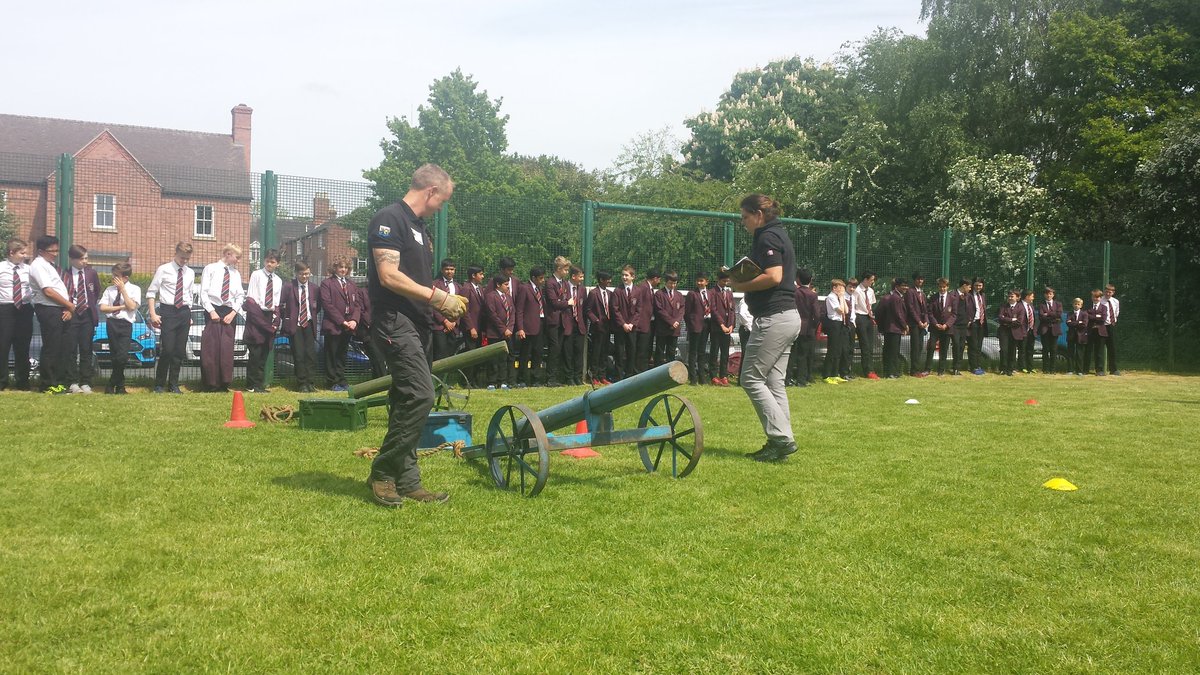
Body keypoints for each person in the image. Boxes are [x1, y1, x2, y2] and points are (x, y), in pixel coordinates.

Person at [366, 162, 461, 507]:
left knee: (405, 398)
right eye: (442, 200)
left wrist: (441, 305)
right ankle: (382, 472)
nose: (441, 207)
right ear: (431, 191)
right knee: (421, 395)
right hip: (394, 322)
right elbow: (389, 276)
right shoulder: (390, 219)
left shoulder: (421, 229)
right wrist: (438, 297)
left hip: (420, 324)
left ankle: (407, 479)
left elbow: (417, 282)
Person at [733, 194, 801, 463]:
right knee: (774, 382)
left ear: (759, 215)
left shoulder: (767, 237)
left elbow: (774, 276)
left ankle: (782, 439)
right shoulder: (779, 233)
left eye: (745, 217)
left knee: (750, 378)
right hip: (787, 317)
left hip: (774, 318)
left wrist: (740, 285)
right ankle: (779, 441)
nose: (743, 223)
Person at [146, 242, 195, 394]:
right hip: (168, 311)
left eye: (187, 258)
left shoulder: (190, 273)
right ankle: (159, 384)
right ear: (175, 253)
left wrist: (190, 314)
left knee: (179, 351)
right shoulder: (164, 269)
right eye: (182, 258)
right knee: (167, 349)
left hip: (184, 312)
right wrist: (153, 313)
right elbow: (151, 292)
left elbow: (189, 294)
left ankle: (173, 384)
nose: (184, 261)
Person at [28, 235, 74, 394]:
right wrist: (69, 305)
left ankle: (59, 382)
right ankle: (47, 383)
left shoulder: (50, 265)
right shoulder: (38, 265)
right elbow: (47, 291)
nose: (55, 253)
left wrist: (67, 308)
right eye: (51, 250)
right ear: (41, 251)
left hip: (60, 309)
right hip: (48, 309)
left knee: (62, 347)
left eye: (57, 249)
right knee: (51, 347)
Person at [199, 243, 245, 392]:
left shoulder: (236, 274)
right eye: (236, 257)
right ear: (228, 254)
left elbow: (240, 296)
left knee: (226, 349)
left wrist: (233, 313)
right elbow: (203, 292)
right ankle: (211, 384)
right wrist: (211, 311)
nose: (238, 260)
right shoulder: (210, 268)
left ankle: (224, 383)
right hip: (213, 309)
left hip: (229, 312)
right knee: (211, 348)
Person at [62, 245, 101, 394]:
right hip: (72, 315)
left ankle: (86, 382)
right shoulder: (64, 274)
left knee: (86, 349)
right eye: (82, 258)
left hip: (87, 316)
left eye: (86, 258)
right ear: (72, 259)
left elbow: (96, 291)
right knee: (71, 349)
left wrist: (87, 305)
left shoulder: (91, 274)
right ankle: (72, 382)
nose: (85, 261)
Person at [278, 261, 321, 393]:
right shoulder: (288, 286)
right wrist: (288, 318)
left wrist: (309, 316)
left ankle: (310, 382)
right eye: (302, 274)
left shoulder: (314, 288)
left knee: (310, 355)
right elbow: (281, 304)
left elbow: (317, 306)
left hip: (308, 324)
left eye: (307, 273)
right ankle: (302, 383)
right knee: (299, 354)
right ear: (296, 274)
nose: (305, 277)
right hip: (295, 325)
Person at [243, 250, 282, 393]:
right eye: (267, 261)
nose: (269, 264)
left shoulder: (278, 280)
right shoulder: (256, 275)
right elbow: (251, 299)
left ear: (277, 263)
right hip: (256, 316)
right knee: (255, 353)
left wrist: (276, 321)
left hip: (268, 315)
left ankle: (259, 384)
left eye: (273, 262)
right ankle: (251, 384)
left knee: (264, 353)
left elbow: (276, 303)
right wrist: (265, 325)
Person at [98, 262, 140, 395]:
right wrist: (121, 307)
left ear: (125, 278)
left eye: (117, 276)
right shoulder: (109, 290)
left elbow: (132, 306)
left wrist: (123, 290)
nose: (113, 278)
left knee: (122, 357)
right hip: (112, 323)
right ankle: (120, 387)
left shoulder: (134, 289)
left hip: (125, 324)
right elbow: (103, 308)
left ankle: (111, 383)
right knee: (114, 356)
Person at [319, 258, 360, 392]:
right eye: (340, 267)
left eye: (345, 267)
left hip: (349, 326)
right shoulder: (327, 283)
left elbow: (357, 305)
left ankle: (341, 379)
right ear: (335, 268)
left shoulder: (352, 284)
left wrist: (354, 320)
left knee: (342, 354)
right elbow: (327, 305)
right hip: (334, 325)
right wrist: (341, 321)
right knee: (332, 354)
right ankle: (332, 381)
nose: (343, 270)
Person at [0, 239, 34, 391]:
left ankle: (22, 382)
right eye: (22, 253)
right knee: (3, 346)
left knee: (22, 347)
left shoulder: (28, 269)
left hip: (24, 309)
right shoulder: (1, 268)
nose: (25, 256)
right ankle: (2, 381)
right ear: (11, 253)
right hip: (5, 309)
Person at [514, 267, 546, 387]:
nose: (543, 280)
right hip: (527, 327)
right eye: (540, 278)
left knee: (538, 353)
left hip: (540, 324)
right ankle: (522, 379)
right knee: (525, 354)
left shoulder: (540, 289)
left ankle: (535, 379)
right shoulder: (524, 288)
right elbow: (520, 309)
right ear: (533, 278)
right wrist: (520, 328)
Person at [483, 273, 515, 389]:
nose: (508, 287)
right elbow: (492, 315)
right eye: (506, 285)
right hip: (495, 333)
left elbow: (512, 314)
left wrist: (510, 328)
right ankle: (491, 382)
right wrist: (503, 329)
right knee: (494, 359)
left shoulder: (508, 297)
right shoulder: (491, 296)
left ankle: (503, 381)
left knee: (504, 358)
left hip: (507, 334)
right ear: (498, 284)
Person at [543, 256, 571, 386]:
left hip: (563, 320)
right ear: (559, 269)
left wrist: (564, 302)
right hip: (553, 321)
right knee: (553, 349)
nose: (567, 272)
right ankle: (550, 378)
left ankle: (556, 377)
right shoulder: (550, 283)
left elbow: (566, 299)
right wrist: (566, 303)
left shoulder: (565, 283)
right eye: (565, 270)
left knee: (559, 349)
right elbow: (554, 302)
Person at [585, 270, 614, 385]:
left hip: (607, 328)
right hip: (597, 328)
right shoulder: (593, 293)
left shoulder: (610, 294)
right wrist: (596, 320)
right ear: (601, 280)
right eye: (608, 279)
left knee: (604, 352)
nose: (610, 282)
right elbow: (588, 310)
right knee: (596, 353)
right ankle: (594, 376)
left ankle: (602, 376)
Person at [683, 271, 713, 385]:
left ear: (707, 282)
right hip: (695, 326)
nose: (700, 283)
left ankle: (702, 377)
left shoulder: (710, 294)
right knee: (693, 352)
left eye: (702, 281)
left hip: (706, 325)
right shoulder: (692, 294)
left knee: (702, 351)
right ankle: (693, 378)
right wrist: (691, 325)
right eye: (698, 281)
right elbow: (687, 312)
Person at [878, 277, 910, 379]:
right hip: (893, 328)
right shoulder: (895, 297)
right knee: (892, 351)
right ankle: (890, 372)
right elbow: (898, 314)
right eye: (903, 286)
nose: (905, 288)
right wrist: (904, 326)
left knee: (893, 351)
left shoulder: (898, 296)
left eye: (906, 285)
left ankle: (892, 371)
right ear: (897, 287)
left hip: (893, 328)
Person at [430, 259, 461, 362]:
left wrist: (454, 322)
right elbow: (433, 305)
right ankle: (437, 378)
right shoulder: (435, 284)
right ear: (442, 270)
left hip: (453, 327)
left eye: (452, 269)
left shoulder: (457, 286)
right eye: (447, 269)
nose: (449, 271)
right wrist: (445, 321)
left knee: (450, 355)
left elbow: (459, 306)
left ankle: (448, 378)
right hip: (439, 327)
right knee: (440, 355)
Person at [923, 277, 956, 376]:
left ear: (947, 287)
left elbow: (954, 315)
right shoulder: (933, 298)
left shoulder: (953, 298)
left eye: (944, 287)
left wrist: (946, 325)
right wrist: (935, 323)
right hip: (935, 328)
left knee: (944, 349)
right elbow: (930, 312)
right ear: (938, 287)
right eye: (940, 287)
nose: (942, 289)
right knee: (931, 347)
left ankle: (941, 370)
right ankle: (927, 369)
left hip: (947, 328)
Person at [562, 266, 588, 385]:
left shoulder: (582, 289)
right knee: (568, 352)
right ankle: (568, 377)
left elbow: (585, 307)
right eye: (580, 276)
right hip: (567, 324)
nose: (582, 279)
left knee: (579, 351)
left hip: (579, 324)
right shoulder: (564, 287)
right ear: (573, 276)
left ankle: (578, 377)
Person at [821, 279, 851, 384]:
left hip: (840, 324)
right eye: (841, 288)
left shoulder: (839, 297)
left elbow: (846, 311)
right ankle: (826, 375)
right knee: (832, 350)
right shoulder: (831, 297)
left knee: (838, 350)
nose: (842, 290)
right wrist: (842, 297)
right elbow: (840, 311)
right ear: (834, 288)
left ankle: (835, 374)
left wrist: (842, 298)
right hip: (833, 324)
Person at [653, 271, 684, 367]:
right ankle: (657, 373)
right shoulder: (659, 294)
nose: (673, 285)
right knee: (660, 351)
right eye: (671, 283)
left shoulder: (679, 295)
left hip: (674, 329)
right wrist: (671, 321)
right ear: (666, 282)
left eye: (675, 283)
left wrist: (677, 321)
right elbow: (659, 310)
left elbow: (682, 310)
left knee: (671, 352)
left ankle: (670, 373)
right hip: (663, 328)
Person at [612, 265, 638, 380]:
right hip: (620, 328)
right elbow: (615, 309)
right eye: (622, 275)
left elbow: (639, 310)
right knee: (619, 352)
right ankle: (618, 376)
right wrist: (623, 324)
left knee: (631, 351)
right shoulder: (618, 291)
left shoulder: (638, 291)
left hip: (632, 327)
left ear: (633, 277)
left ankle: (629, 375)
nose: (624, 277)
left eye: (626, 275)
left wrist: (632, 324)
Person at [711, 270, 735, 386]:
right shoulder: (713, 292)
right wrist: (722, 325)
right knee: (714, 352)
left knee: (725, 353)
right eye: (724, 281)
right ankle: (713, 376)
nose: (726, 283)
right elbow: (714, 310)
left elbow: (732, 310)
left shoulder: (729, 293)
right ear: (718, 280)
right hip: (717, 327)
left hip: (727, 328)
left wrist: (731, 325)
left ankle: (723, 375)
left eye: (727, 281)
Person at [632, 270, 659, 374]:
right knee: (641, 350)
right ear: (655, 278)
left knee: (646, 349)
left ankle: (643, 370)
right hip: (641, 325)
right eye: (658, 279)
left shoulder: (650, 289)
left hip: (649, 324)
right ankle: (638, 371)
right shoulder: (642, 288)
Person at [852, 272, 877, 379]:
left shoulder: (871, 291)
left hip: (868, 317)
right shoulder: (857, 291)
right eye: (871, 280)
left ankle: (871, 369)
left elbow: (871, 304)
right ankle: (867, 370)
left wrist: (872, 316)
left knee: (870, 345)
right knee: (865, 345)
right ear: (865, 279)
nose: (873, 282)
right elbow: (854, 305)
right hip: (860, 317)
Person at [905, 272, 929, 376]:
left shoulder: (922, 293)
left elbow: (925, 309)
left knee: (919, 347)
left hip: (922, 324)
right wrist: (918, 321)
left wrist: (926, 321)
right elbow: (911, 308)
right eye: (918, 279)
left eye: (922, 279)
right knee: (915, 347)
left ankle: (917, 369)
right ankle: (913, 370)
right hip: (914, 324)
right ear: (914, 280)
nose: (920, 281)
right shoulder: (910, 292)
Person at [997, 290, 1024, 376]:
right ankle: (1003, 369)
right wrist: (1012, 319)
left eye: (1012, 296)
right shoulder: (1003, 306)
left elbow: (1019, 321)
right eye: (1009, 296)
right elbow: (1000, 318)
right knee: (1004, 350)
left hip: (1015, 332)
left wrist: (1006, 320)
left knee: (1012, 351)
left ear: (1018, 297)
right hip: (1004, 332)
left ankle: (1010, 369)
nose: (1010, 298)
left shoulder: (1021, 307)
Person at [1084, 289, 1111, 376]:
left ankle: (1099, 370)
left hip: (1100, 332)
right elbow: (1086, 317)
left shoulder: (1104, 307)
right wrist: (1096, 316)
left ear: (1100, 298)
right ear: (1091, 297)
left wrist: (1092, 316)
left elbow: (1103, 319)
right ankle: (1085, 369)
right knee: (1088, 351)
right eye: (1094, 297)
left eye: (1097, 297)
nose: (1095, 299)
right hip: (1089, 331)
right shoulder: (1087, 307)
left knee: (1099, 352)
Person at [1038, 286, 1063, 374]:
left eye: (1050, 294)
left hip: (1055, 329)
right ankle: (1045, 369)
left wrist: (1047, 314)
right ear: (1044, 295)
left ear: (1053, 295)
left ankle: (1053, 369)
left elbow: (1059, 315)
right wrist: (1053, 315)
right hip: (1044, 329)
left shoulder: (1058, 304)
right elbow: (1041, 317)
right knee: (1045, 349)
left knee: (1054, 349)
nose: (1049, 295)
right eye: (1047, 294)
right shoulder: (1041, 305)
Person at [950, 278, 972, 375]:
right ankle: (954, 367)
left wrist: (969, 320)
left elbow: (970, 309)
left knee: (962, 346)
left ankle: (957, 368)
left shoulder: (968, 296)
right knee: (956, 345)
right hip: (954, 325)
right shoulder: (952, 295)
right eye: (969, 287)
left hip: (964, 326)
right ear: (964, 286)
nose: (970, 289)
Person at [968, 277, 988, 375]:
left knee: (979, 346)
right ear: (972, 285)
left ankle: (978, 365)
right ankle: (973, 366)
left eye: (980, 285)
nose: (978, 287)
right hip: (973, 323)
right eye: (976, 285)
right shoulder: (969, 295)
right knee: (973, 345)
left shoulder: (983, 295)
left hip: (982, 323)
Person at [1065, 297, 1088, 375]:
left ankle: (1079, 370)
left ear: (1081, 305)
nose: (1076, 306)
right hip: (1071, 335)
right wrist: (1079, 322)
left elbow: (1084, 324)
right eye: (1075, 304)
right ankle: (1070, 370)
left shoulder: (1084, 313)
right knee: (1070, 353)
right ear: (1072, 304)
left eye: (1078, 304)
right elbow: (1068, 323)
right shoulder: (1069, 313)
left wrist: (1073, 322)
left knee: (1080, 354)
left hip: (1081, 336)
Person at [1102, 284, 1121, 375]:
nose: (1108, 293)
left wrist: (1113, 321)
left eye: (1110, 292)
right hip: (1102, 326)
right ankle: (1100, 370)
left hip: (1112, 326)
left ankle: (1113, 369)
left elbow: (1116, 312)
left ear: (1113, 293)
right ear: (1104, 291)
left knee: (1112, 348)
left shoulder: (1116, 301)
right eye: (1106, 291)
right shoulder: (1100, 301)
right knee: (1100, 347)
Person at [1017, 289, 1037, 373]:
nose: (1033, 298)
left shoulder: (1031, 306)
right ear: (1027, 296)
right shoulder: (1019, 305)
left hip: (1031, 331)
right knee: (1022, 350)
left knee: (1030, 350)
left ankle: (1030, 367)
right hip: (1022, 331)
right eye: (1032, 296)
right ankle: (1022, 367)